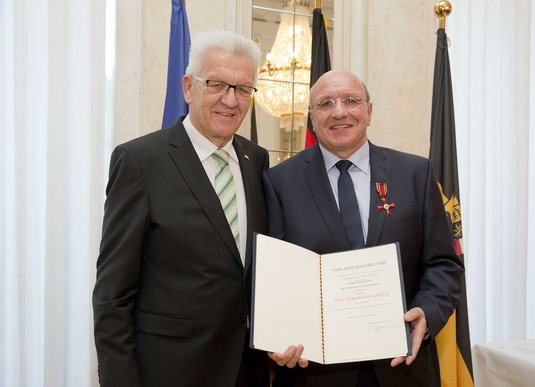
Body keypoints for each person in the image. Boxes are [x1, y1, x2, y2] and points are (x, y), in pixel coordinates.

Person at [263, 70, 464, 387]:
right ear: (313, 117)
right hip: (315, 372)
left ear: (369, 111)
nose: (339, 111)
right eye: (326, 103)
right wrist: (278, 334)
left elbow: (444, 264)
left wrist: (427, 312)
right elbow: (275, 277)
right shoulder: (280, 182)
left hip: (403, 367)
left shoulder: (415, 172)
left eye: (351, 100)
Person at [93, 30, 270, 387]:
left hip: (246, 371)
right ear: (189, 87)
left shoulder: (257, 159)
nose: (230, 100)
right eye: (217, 84)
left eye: (242, 89)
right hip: (169, 372)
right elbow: (113, 296)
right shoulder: (140, 161)